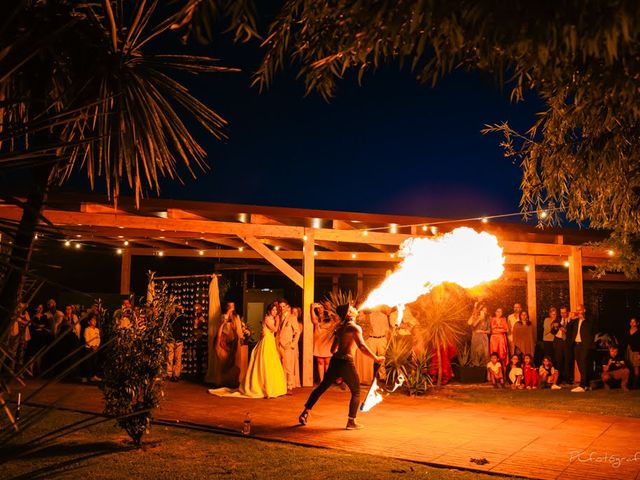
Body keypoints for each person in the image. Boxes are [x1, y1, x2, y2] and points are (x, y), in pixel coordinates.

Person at [299, 304, 385, 430]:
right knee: (356, 391)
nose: (355, 309)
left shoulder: (340, 328)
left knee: (322, 387)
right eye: (351, 309)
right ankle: (351, 421)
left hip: (336, 361)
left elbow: (333, 349)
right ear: (349, 314)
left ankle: (305, 412)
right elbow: (362, 346)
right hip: (346, 362)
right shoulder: (355, 328)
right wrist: (376, 358)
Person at [238, 304, 287, 398]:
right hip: (266, 342)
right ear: (269, 311)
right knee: (265, 362)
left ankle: (274, 387)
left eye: (276, 310)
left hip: (271, 341)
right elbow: (275, 329)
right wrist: (277, 321)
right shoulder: (267, 319)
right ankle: (264, 388)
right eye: (273, 310)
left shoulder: (271, 318)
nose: (275, 312)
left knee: (272, 363)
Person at [214, 301, 245, 387]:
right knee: (224, 360)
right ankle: (222, 381)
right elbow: (223, 322)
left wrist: (241, 337)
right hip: (224, 340)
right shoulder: (224, 316)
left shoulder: (236, 316)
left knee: (233, 360)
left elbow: (238, 328)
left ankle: (232, 380)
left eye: (233, 306)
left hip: (233, 340)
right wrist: (228, 312)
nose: (232, 307)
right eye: (230, 306)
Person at [566, 304, 594, 392]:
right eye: (577, 310)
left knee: (583, 363)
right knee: (580, 364)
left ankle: (582, 385)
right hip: (576, 345)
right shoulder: (575, 321)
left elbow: (592, 328)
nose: (578, 312)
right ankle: (586, 384)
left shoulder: (588, 320)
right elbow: (568, 328)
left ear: (584, 310)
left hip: (585, 345)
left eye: (580, 310)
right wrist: (570, 319)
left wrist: (583, 318)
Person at [311, 301, 338, 383]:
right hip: (318, 341)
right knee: (319, 361)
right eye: (318, 308)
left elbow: (336, 322)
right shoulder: (317, 318)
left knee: (327, 361)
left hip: (327, 340)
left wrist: (330, 312)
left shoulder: (329, 317)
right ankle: (321, 380)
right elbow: (314, 320)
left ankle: (327, 380)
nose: (320, 309)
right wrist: (312, 308)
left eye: (321, 307)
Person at [278, 301, 301, 394]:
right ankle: (281, 385)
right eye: (280, 306)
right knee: (280, 365)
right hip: (278, 345)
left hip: (287, 345)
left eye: (283, 306)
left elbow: (297, 332)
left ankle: (289, 386)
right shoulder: (278, 317)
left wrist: (293, 344)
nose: (281, 308)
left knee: (288, 366)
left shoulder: (292, 317)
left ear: (287, 307)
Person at [167, 304, 186, 382]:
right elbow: (169, 323)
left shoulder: (181, 317)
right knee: (169, 357)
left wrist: (182, 313)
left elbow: (183, 323)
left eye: (178, 309)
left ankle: (176, 375)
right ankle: (169, 374)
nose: (177, 310)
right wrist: (172, 312)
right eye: (176, 309)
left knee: (178, 358)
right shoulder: (170, 317)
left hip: (179, 340)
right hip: (171, 339)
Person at [468, 302, 490, 367]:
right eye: (483, 310)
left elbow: (489, 331)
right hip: (476, 337)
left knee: (484, 352)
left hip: (484, 337)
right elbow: (473, 326)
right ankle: (475, 365)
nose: (484, 312)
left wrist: (481, 331)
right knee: (475, 351)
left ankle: (483, 365)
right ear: (480, 311)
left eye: (486, 311)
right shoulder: (476, 317)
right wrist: (479, 319)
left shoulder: (488, 320)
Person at [82, 313, 101, 382]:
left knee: (94, 362)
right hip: (88, 348)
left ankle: (94, 376)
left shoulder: (97, 330)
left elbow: (98, 339)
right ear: (89, 322)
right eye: (92, 320)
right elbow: (87, 339)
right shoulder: (87, 329)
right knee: (88, 363)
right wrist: (92, 346)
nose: (94, 322)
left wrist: (96, 345)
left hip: (95, 348)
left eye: (95, 320)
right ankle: (86, 376)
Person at [553, 306, 570, 383]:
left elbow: (572, 331)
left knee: (567, 360)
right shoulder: (557, 320)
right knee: (558, 360)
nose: (562, 314)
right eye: (561, 312)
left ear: (567, 312)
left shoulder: (570, 320)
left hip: (566, 341)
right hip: (558, 341)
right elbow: (552, 332)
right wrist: (556, 328)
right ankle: (559, 379)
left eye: (564, 312)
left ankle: (567, 379)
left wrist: (566, 330)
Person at [489, 308, 509, 375]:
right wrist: (501, 329)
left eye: (501, 311)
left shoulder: (504, 319)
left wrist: (496, 330)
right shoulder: (492, 319)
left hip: (501, 339)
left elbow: (506, 330)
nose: (499, 313)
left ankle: (503, 373)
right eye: (498, 311)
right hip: (494, 339)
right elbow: (492, 330)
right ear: (495, 312)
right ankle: (493, 374)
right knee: (494, 354)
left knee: (502, 354)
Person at [624, 317, 639, 389]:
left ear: (637, 323)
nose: (632, 323)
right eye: (631, 322)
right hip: (628, 351)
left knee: (636, 370)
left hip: (636, 352)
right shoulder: (627, 331)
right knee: (629, 368)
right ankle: (630, 385)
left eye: (634, 322)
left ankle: (636, 386)